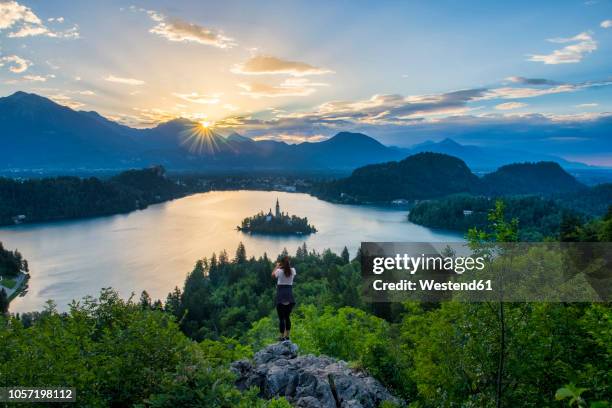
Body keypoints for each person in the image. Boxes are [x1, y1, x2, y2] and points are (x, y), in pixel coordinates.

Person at [271, 256, 296, 341]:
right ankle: (287, 336)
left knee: (281, 318)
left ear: (281, 263)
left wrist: (277, 266)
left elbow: (273, 275)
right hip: (289, 296)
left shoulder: (279, 271)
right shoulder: (293, 271)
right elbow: (289, 270)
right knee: (287, 317)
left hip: (281, 296)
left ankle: (281, 336)